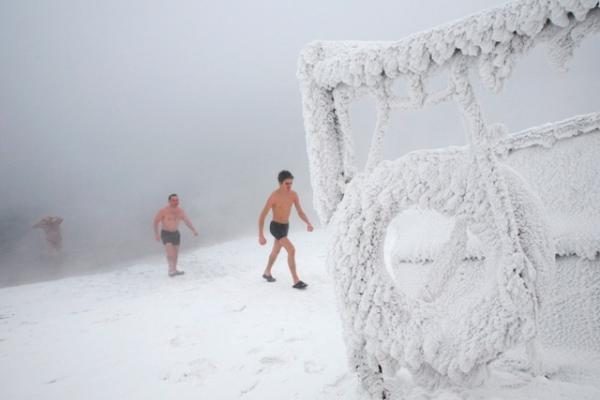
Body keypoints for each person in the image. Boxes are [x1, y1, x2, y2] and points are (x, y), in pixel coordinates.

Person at [258, 170, 314, 289]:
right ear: (280, 183)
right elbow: (262, 216)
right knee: (291, 250)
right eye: (286, 183)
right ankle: (296, 280)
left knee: (276, 251)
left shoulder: (293, 195)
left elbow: (300, 211)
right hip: (275, 226)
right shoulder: (274, 196)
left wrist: (308, 223)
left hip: (285, 226)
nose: (289, 186)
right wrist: (261, 235)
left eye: (291, 183)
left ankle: (267, 272)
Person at [153, 194, 198, 277]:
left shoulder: (180, 211)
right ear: (169, 201)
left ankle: (174, 269)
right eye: (173, 200)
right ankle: (170, 270)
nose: (176, 202)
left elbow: (187, 221)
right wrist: (156, 234)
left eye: (177, 200)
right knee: (170, 252)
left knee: (176, 253)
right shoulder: (163, 211)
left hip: (176, 233)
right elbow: (155, 222)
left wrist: (193, 230)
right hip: (166, 233)